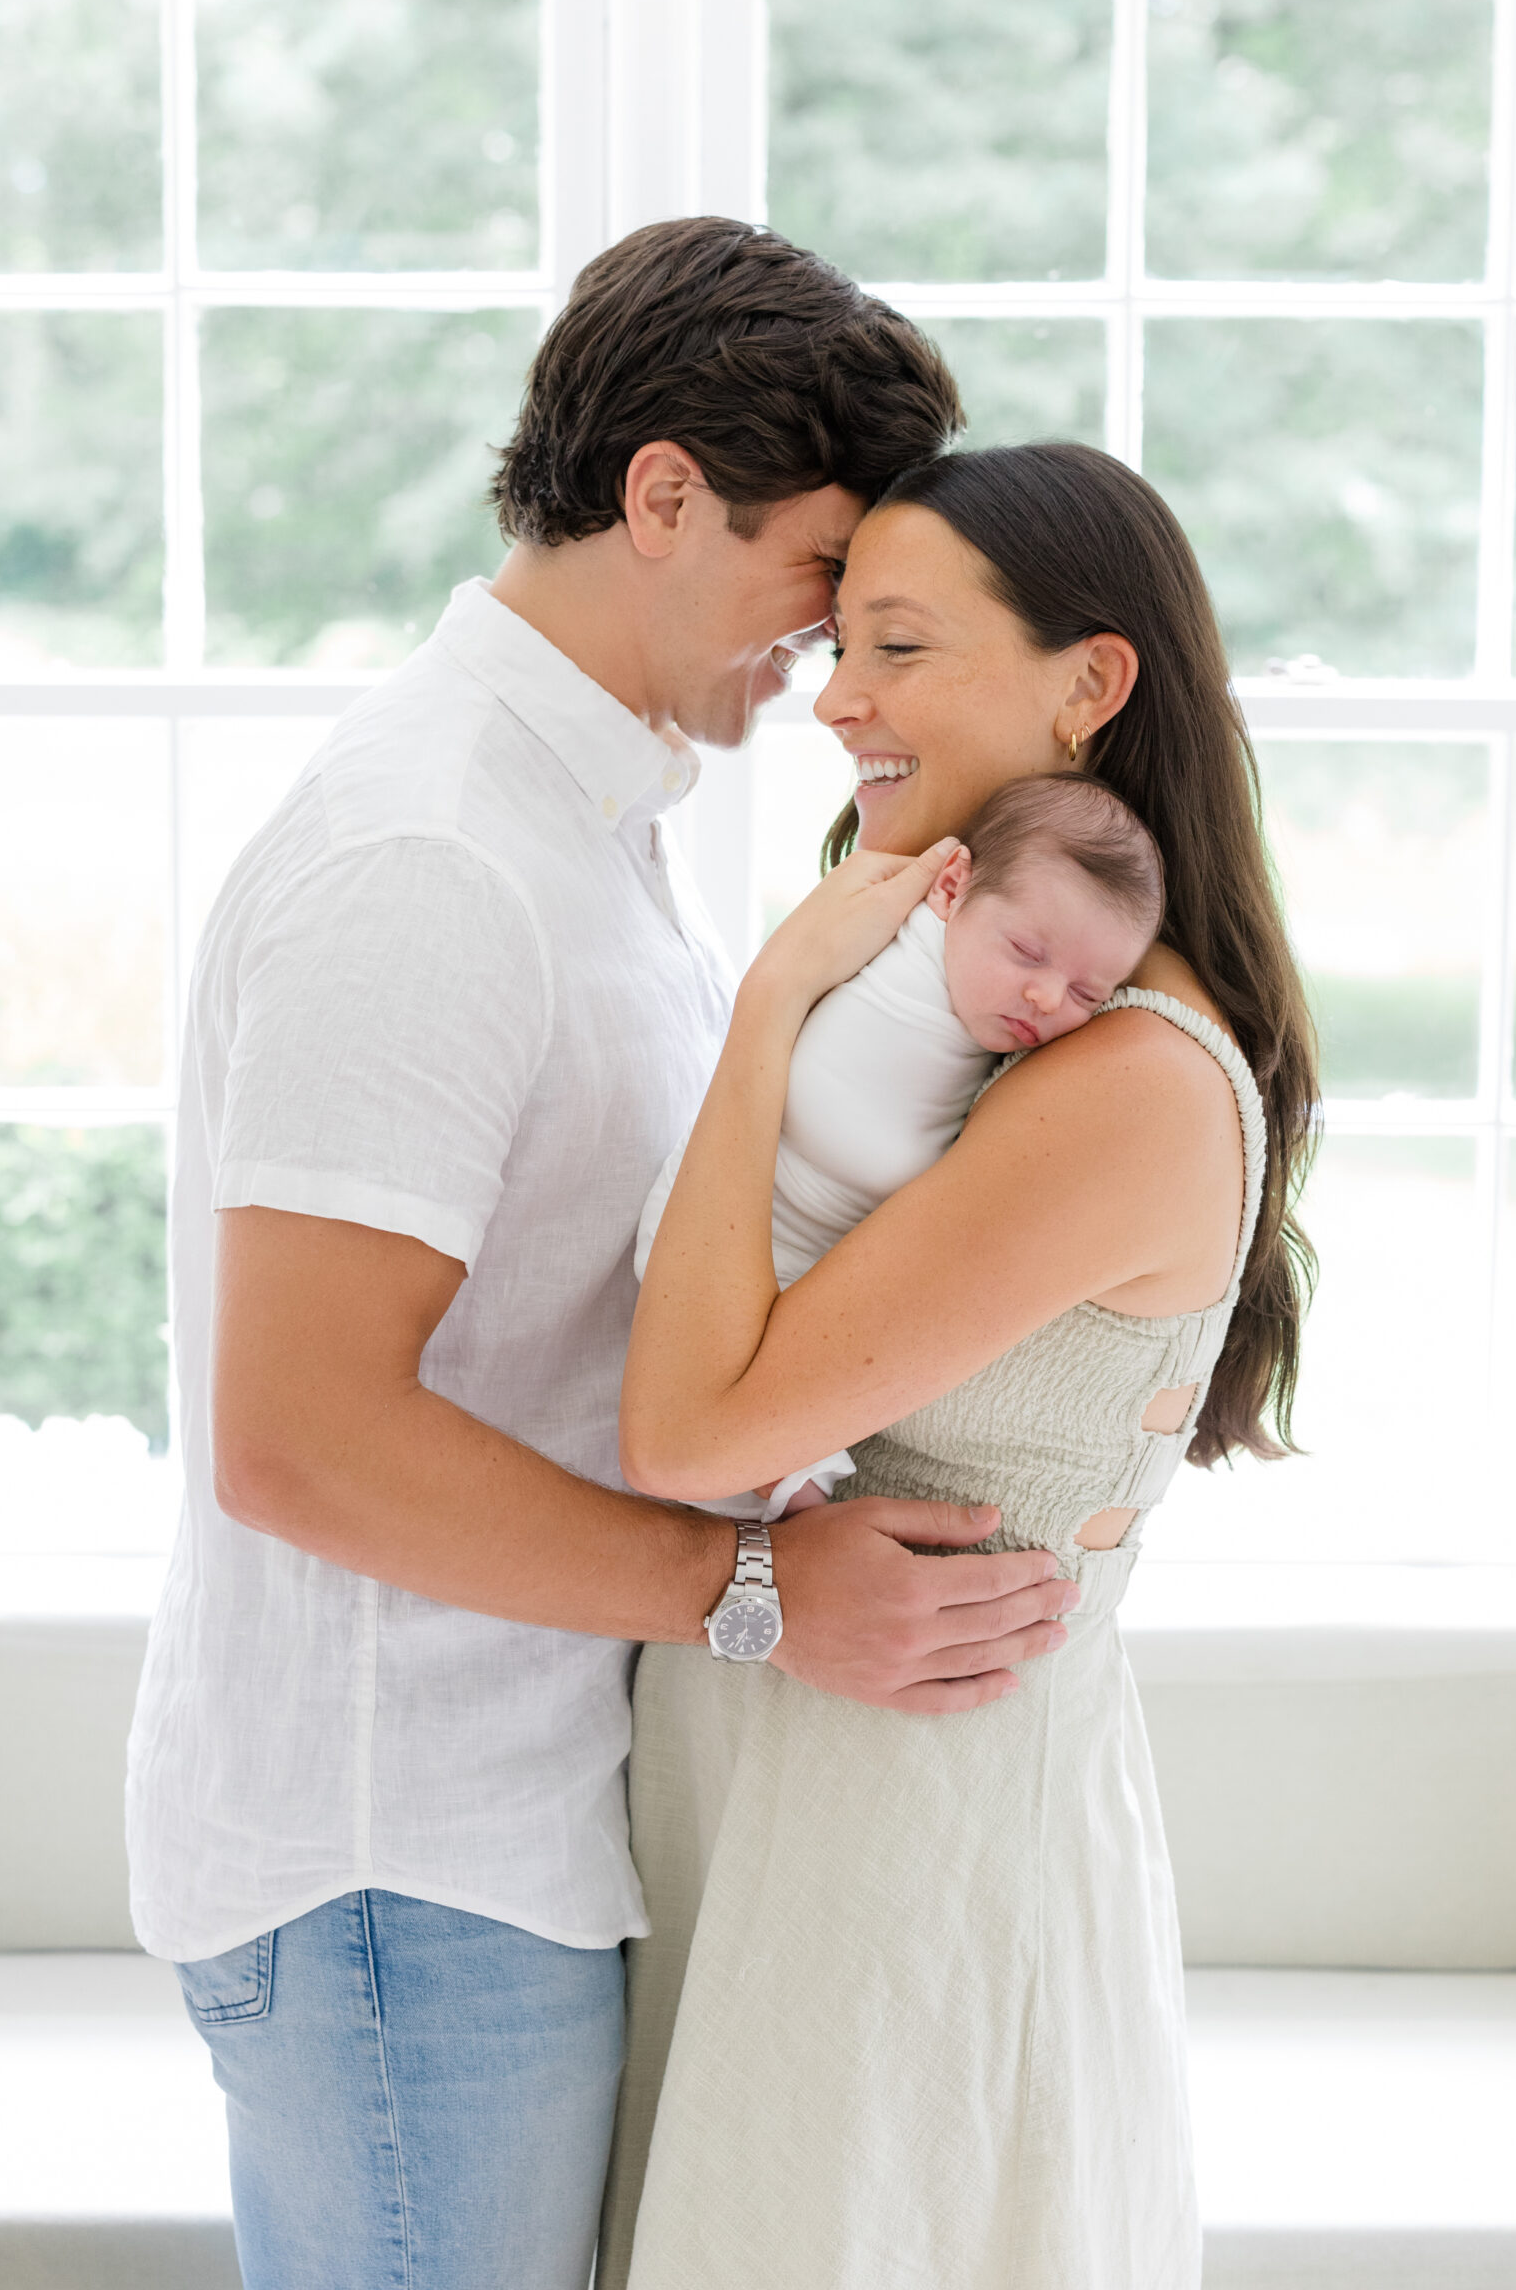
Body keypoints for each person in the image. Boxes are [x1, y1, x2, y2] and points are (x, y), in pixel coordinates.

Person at [123, 220, 1079, 2290]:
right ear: (659, 495)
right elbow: (293, 1436)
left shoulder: (581, 835)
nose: (826, 671)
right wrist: (754, 1595)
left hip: (495, 1840)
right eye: (810, 586)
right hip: (395, 1875)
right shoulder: (434, 859)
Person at [600, 442, 1319, 2290]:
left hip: (893, 1850)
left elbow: (689, 1427)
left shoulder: (1119, 1081)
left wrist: (764, 1001)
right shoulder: (980, 1024)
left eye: (898, 646)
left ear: (1089, 684)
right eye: (840, 641)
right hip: (800, 1806)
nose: (835, 698)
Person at [637, 773, 1167, 1519]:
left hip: (788, 1276)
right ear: (951, 887)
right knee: (782, 1487)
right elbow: (834, 1115)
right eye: (1025, 951)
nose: (1047, 998)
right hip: (727, 1240)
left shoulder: (1003, 1025)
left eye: (1088, 994)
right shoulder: (898, 937)